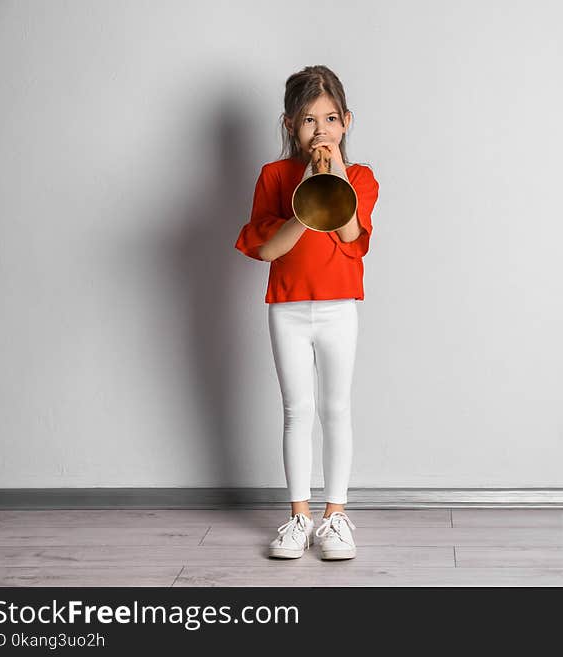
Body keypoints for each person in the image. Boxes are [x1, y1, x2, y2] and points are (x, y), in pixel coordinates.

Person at [234, 65, 380, 560]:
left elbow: (349, 235)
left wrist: (333, 173)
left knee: (336, 410)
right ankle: (298, 516)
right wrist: (303, 206)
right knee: (297, 412)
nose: (320, 131)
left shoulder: (360, 177)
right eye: (308, 121)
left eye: (331, 119)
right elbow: (270, 250)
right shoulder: (274, 177)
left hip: (340, 309)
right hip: (289, 309)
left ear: (346, 122)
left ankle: (335, 518)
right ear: (290, 126)